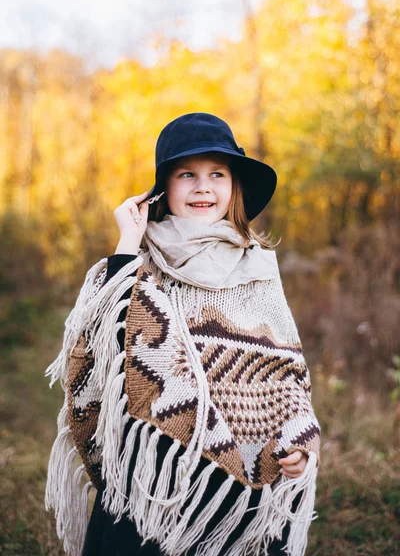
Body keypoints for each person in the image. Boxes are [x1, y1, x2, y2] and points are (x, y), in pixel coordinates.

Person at [45, 113, 321, 556]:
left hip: (237, 484)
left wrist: (300, 438)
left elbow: (285, 369)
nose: (203, 186)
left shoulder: (257, 268)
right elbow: (113, 351)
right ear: (162, 189)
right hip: (157, 474)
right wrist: (126, 248)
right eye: (185, 174)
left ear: (234, 187)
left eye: (217, 174)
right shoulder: (141, 264)